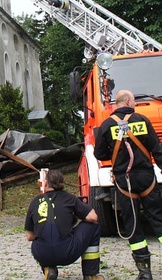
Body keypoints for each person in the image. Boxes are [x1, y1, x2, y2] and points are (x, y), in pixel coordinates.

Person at [94, 89, 162, 280]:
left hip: (124, 182)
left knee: (132, 225)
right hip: (146, 178)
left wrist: (116, 156)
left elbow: (99, 154)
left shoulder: (106, 125)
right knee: (158, 219)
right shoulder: (142, 119)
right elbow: (156, 148)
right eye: (133, 101)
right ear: (128, 101)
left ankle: (144, 272)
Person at [25, 169, 104, 280]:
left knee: (42, 239)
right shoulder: (69, 198)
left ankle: (48, 268)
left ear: (46, 183)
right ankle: (90, 274)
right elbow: (93, 217)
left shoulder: (35, 202)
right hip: (66, 253)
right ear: (62, 183)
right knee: (93, 226)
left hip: (42, 254)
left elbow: (29, 236)